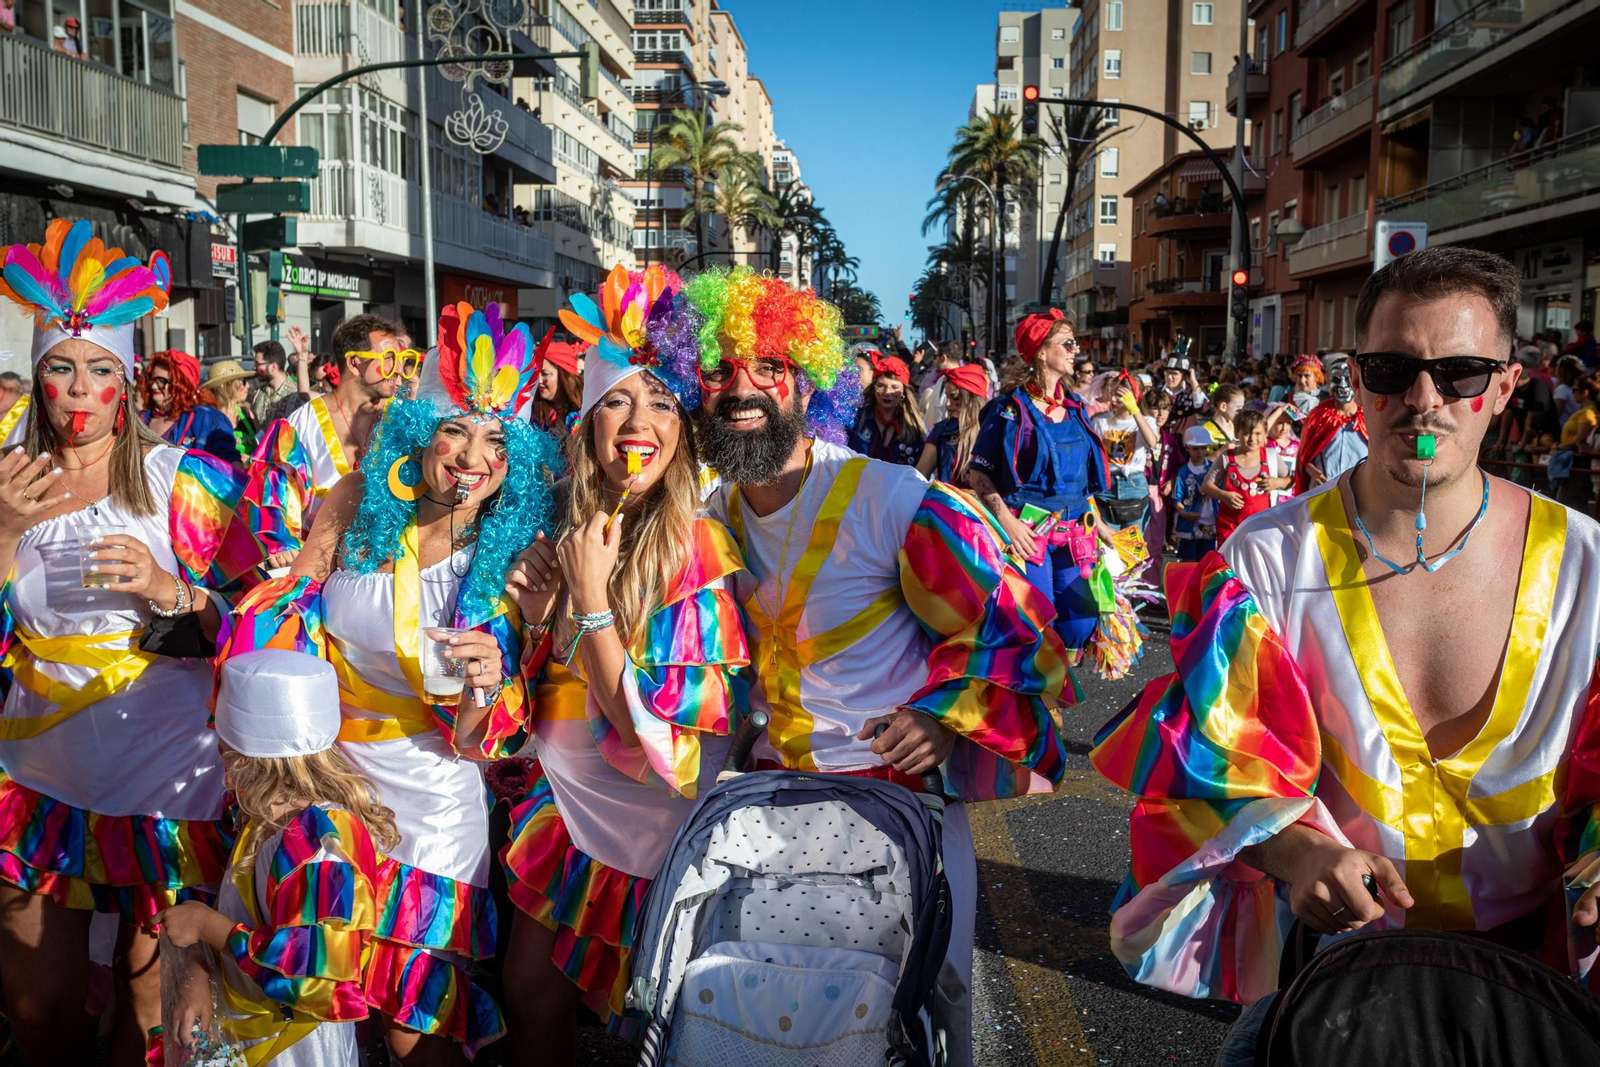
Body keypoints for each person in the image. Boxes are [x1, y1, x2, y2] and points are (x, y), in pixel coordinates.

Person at [1091, 246, 1600, 1048]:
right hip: (1332, 980)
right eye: (1392, 369)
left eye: (1461, 372)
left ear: (1504, 386)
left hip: (1531, 990)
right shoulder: (1266, 557)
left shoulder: (1586, 563)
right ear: (1356, 380)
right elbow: (1210, 764)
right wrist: (1292, 851)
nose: (1423, 399)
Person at [685, 265, 1072, 1067]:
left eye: (769, 367)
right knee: (775, 1017)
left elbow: (1010, 626)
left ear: (807, 379)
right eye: (720, 368)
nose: (742, 386)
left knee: (935, 1009)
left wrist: (940, 714)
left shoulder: (890, 496)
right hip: (767, 809)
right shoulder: (705, 512)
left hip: (895, 810)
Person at [223, 300, 559, 1060]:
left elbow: (482, 740)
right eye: (457, 429)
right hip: (329, 787)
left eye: (496, 441)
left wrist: (489, 679)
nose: (473, 456)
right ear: (418, 431)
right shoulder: (355, 511)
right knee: (326, 999)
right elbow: (284, 615)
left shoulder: (508, 560)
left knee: (414, 1024)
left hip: (433, 805)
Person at [0, 219, 271, 1066]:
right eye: (61, 367)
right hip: (37, 774)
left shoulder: (187, 483)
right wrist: (2, 533)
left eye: (100, 371)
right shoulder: (6, 476)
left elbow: (256, 617)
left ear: (127, 381)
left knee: (147, 1001)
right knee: (36, 1005)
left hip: (167, 775)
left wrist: (172, 591)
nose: (79, 390)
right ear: (38, 377)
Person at [500, 265, 751, 1065]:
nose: (638, 421)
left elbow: (655, 739)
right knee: (530, 1001)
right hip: (568, 818)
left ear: (683, 428)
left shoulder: (697, 546)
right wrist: (535, 622)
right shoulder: (563, 519)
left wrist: (593, 603)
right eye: (616, 399)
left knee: (655, 1034)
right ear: (584, 421)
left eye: (661, 401)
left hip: (655, 836)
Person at [155, 650, 398, 1067]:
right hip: (249, 1033)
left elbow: (315, 981)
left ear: (242, 752)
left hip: (296, 1051)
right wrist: (198, 968)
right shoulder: (266, 815)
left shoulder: (320, 847)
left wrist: (206, 926)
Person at [969, 308, 1110, 654]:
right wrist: (1008, 525)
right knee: (1034, 624)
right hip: (1030, 534)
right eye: (1068, 343)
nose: (1076, 350)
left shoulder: (1076, 406)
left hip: (1078, 533)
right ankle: (1037, 702)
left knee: (1080, 625)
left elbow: (1080, 480)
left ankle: (1052, 690)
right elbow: (979, 473)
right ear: (1042, 352)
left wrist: (1102, 526)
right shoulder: (1009, 409)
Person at [246, 313, 411, 561]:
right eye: (389, 358)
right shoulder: (301, 426)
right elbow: (273, 496)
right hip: (322, 573)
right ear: (355, 363)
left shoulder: (403, 422)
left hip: (391, 572)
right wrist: (281, 544)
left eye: (402, 358)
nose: (399, 370)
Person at [1199, 408, 1290, 542]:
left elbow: (1291, 480)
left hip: (1262, 529)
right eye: (1246, 433)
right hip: (1229, 528)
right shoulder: (1227, 457)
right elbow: (1206, 486)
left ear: (1265, 434)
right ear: (1237, 433)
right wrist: (1222, 495)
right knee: (1229, 563)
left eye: (1258, 433)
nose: (1252, 438)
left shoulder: (1271, 456)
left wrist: (1277, 483)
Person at [137, 350, 241, 464]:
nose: (153, 386)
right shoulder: (139, 418)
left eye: (161, 381)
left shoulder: (208, 419)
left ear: (181, 385)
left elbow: (231, 466)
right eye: (151, 379)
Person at [1091, 375, 1161, 532]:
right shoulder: (1100, 421)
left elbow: (1151, 442)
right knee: (1108, 548)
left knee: (1131, 550)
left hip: (1134, 485)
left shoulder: (1146, 421)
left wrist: (1135, 410)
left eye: (1119, 395)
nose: (1114, 399)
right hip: (1106, 486)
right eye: (1112, 394)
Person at [1295, 354, 1367, 491]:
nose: (1343, 385)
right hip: (1324, 493)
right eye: (1337, 379)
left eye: (1348, 379)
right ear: (1328, 385)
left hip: (1360, 495)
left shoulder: (1369, 418)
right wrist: (1314, 473)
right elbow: (1304, 459)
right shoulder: (1318, 416)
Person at [847, 349, 927, 465]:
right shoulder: (857, 417)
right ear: (873, 387)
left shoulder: (915, 425)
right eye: (881, 385)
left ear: (903, 391)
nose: (887, 392)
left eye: (894, 387)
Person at [915, 361, 989, 486]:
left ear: (972, 398)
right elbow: (920, 474)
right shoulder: (941, 430)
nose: (948, 404)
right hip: (947, 502)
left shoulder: (993, 429)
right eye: (947, 397)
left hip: (981, 505)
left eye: (955, 398)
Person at [1171, 424, 1219, 561]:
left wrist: (1211, 491)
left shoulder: (1213, 469)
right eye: (1196, 448)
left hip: (1210, 522)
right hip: (1188, 524)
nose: (1200, 452)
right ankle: (1186, 583)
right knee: (1188, 560)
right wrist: (1183, 513)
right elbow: (1177, 497)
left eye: (1203, 448)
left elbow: (1221, 489)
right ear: (1187, 448)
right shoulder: (1183, 471)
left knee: (1207, 560)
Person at [198, 358, 260, 461]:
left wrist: (251, 460)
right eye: (243, 381)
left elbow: (262, 448)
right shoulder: (209, 416)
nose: (248, 386)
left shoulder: (248, 412)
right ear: (225, 386)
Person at [524, 337, 584, 432]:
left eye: (545, 373)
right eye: (536, 374)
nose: (539, 381)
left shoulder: (583, 414)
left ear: (564, 376)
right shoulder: (535, 414)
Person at [248, 340, 297, 427]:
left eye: (258, 364)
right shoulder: (258, 392)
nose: (254, 367)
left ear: (273, 367)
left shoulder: (295, 394)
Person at [0, 367, 27, 446]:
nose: (9, 393)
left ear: (21, 388)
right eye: (5, 389)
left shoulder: (30, 408)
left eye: (11, 390)